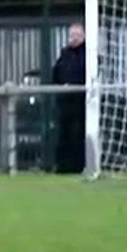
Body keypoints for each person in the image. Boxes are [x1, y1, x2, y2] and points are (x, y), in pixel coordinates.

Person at [53, 23, 87, 174]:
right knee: (64, 135)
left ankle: (79, 165)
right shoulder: (64, 54)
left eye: (77, 35)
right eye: (72, 35)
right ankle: (63, 166)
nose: (74, 38)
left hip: (81, 103)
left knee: (78, 134)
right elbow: (56, 73)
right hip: (65, 103)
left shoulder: (87, 54)